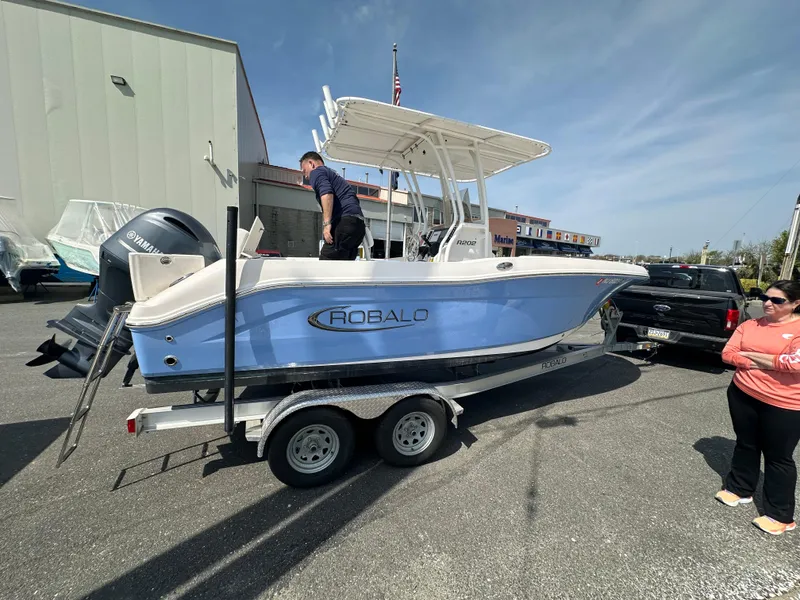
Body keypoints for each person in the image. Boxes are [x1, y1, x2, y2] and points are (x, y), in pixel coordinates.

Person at [718, 280, 800, 535]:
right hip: (743, 393)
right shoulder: (749, 324)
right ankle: (740, 489)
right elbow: (728, 354)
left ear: (796, 304)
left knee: (778, 457)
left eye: (777, 301)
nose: (768, 303)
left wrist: (751, 354)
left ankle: (780, 516)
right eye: (766, 297)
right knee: (746, 443)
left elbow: (794, 364)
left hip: (785, 403)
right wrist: (771, 361)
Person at [299, 151, 366, 260]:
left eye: (304, 171)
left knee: (326, 263)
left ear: (311, 163)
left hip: (344, 222)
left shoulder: (317, 172)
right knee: (344, 268)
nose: (306, 176)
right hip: (358, 226)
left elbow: (326, 194)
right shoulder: (334, 175)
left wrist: (327, 224)